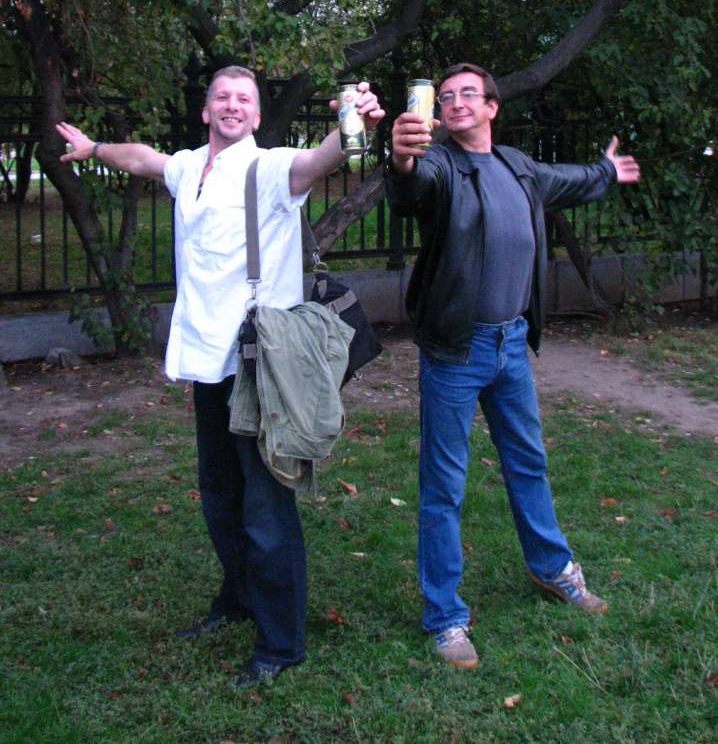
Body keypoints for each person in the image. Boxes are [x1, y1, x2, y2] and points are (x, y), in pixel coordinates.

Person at [56, 66, 385, 688]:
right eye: (222, 97)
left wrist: (356, 123)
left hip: (259, 367)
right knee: (220, 494)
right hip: (207, 362)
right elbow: (143, 159)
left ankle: (281, 644)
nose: (233, 106)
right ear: (207, 110)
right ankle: (238, 599)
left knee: (265, 506)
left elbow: (321, 159)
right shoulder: (188, 168)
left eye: (244, 99)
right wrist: (95, 148)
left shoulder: (270, 168)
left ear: (257, 116)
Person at [386, 63, 640, 670]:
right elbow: (411, 188)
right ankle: (445, 617)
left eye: (467, 94)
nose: (454, 103)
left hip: (512, 344)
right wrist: (399, 159)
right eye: (446, 97)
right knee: (444, 486)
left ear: (492, 107)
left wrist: (606, 171)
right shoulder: (440, 166)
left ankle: (552, 568)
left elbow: (566, 179)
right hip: (456, 350)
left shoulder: (517, 166)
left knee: (529, 462)